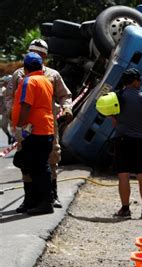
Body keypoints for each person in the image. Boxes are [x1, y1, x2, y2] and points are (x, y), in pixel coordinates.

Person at [6, 39, 73, 212]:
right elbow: (10, 98)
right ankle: (30, 199)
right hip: (27, 127)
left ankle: (51, 196)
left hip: (45, 124)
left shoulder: (52, 75)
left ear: (45, 56)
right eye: (32, 52)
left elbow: (65, 95)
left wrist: (66, 108)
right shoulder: (18, 75)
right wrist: (12, 115)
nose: (36, 55)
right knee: (27, 161)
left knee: (50, 158)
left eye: (40, 53)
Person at [11, 52, 54, 215]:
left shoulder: (28, 81)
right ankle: (37, 201)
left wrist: (20, 127)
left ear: (25, 67)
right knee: (37, 166)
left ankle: (44, 203)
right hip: (45, 128)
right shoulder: (46, 81)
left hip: (33, 130)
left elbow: (26, 106)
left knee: (37, 167)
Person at [111, 68, 142, 220]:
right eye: (139, 80)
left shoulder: (118, 96)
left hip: (122, 139)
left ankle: (125, 209)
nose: (140, 82)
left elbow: (114, 120)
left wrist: (114, 117)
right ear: (134, 81)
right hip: (140, 140)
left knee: (123, 175)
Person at [0, 75, 13, 144]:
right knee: (3, 126)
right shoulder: (3, 89)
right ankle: (9, 136)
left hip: (11, 110)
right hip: (5, 111)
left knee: (14, 127)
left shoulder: (12, 88)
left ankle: (15, 138)